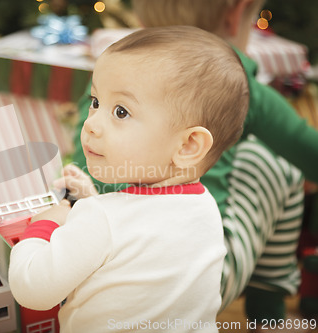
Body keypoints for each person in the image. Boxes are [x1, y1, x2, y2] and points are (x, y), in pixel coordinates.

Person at [69, 0, 313, 327]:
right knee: (275, 163)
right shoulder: (234, 81)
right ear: (236, 13)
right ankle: (266, 313)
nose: (92, 123)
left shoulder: (119, 69)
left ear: (141, 14)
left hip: (88, 258)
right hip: (193, 279)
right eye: (98, 105)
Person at [9, 26, 249, 332]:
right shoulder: (204, 210)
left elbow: (33, 289)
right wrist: (91, 202)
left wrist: (44, 224)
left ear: (188, 146)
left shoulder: (101, 220)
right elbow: (132, 242)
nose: (92, 123)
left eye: (121, 112)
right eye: (96, 102)